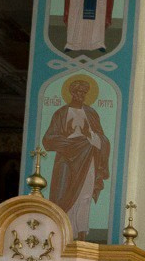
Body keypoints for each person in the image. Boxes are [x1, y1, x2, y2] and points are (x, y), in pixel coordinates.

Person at [41, 76, 111, 238]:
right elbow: (48, 140)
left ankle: (81, 232)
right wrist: (70, 140)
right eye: (78, 92)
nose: (81, 95)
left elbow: (103, 140)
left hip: (87, 159)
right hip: (66, 160)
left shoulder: (91, 113)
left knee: (85, 194)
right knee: (66, 193)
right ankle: (66, 232)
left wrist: (90, 136)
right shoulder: (61, 113)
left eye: (83, 92)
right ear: (71, 92)